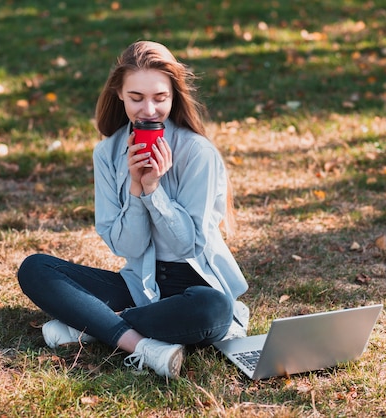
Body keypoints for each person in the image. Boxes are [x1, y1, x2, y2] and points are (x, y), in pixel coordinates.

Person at [18, 41, 249, 379]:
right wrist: (136, 189)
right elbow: (128, 248)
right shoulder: (107, 154)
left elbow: (188, 246)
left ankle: (97, 326)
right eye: (137, 98)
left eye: (160, 98)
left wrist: (154, 190)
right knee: (35, 268)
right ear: (120, 94)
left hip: (195, 285)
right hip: (140, 284)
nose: (149, 110)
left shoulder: (198, 153)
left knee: (215, 309)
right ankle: (143, 346)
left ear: (173, 96)